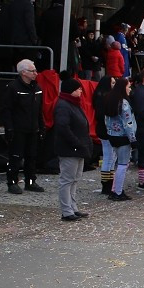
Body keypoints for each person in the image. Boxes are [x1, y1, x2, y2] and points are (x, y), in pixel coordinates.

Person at [2, 59, 44, 195]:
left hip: (33, 128)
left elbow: (39, 110)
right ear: (23, 72)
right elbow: (7, 109)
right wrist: (9, 128)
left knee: (32, 156)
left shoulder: (37, 88)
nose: (35, 74)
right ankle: (12, 182)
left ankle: (30, 181)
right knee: (15, 157)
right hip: (18, 129)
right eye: (32, 71)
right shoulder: (13, 88)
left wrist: (41, 127)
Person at [54, 79, 92, 221]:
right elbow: (63, 127)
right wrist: (76, 142)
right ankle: (66, 210)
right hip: (69, 149)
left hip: (78, 148)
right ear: (71, 90)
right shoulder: (64, 105)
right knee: (67, 180)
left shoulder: (73, 104)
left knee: (75, 179)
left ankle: (73, 207)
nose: (81, 91)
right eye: (78, 89)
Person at [104, 77, 137, 202]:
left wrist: (109, 131)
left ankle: (114, 189)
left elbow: (106, 119)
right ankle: (118, 191)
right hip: (123, 137)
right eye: (128, 86)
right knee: (123, 165)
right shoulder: (123, 102)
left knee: (116, 163)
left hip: (112, 135)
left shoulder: (109, 99)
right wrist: (133, 139)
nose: (130, 89)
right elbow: (127, 122)